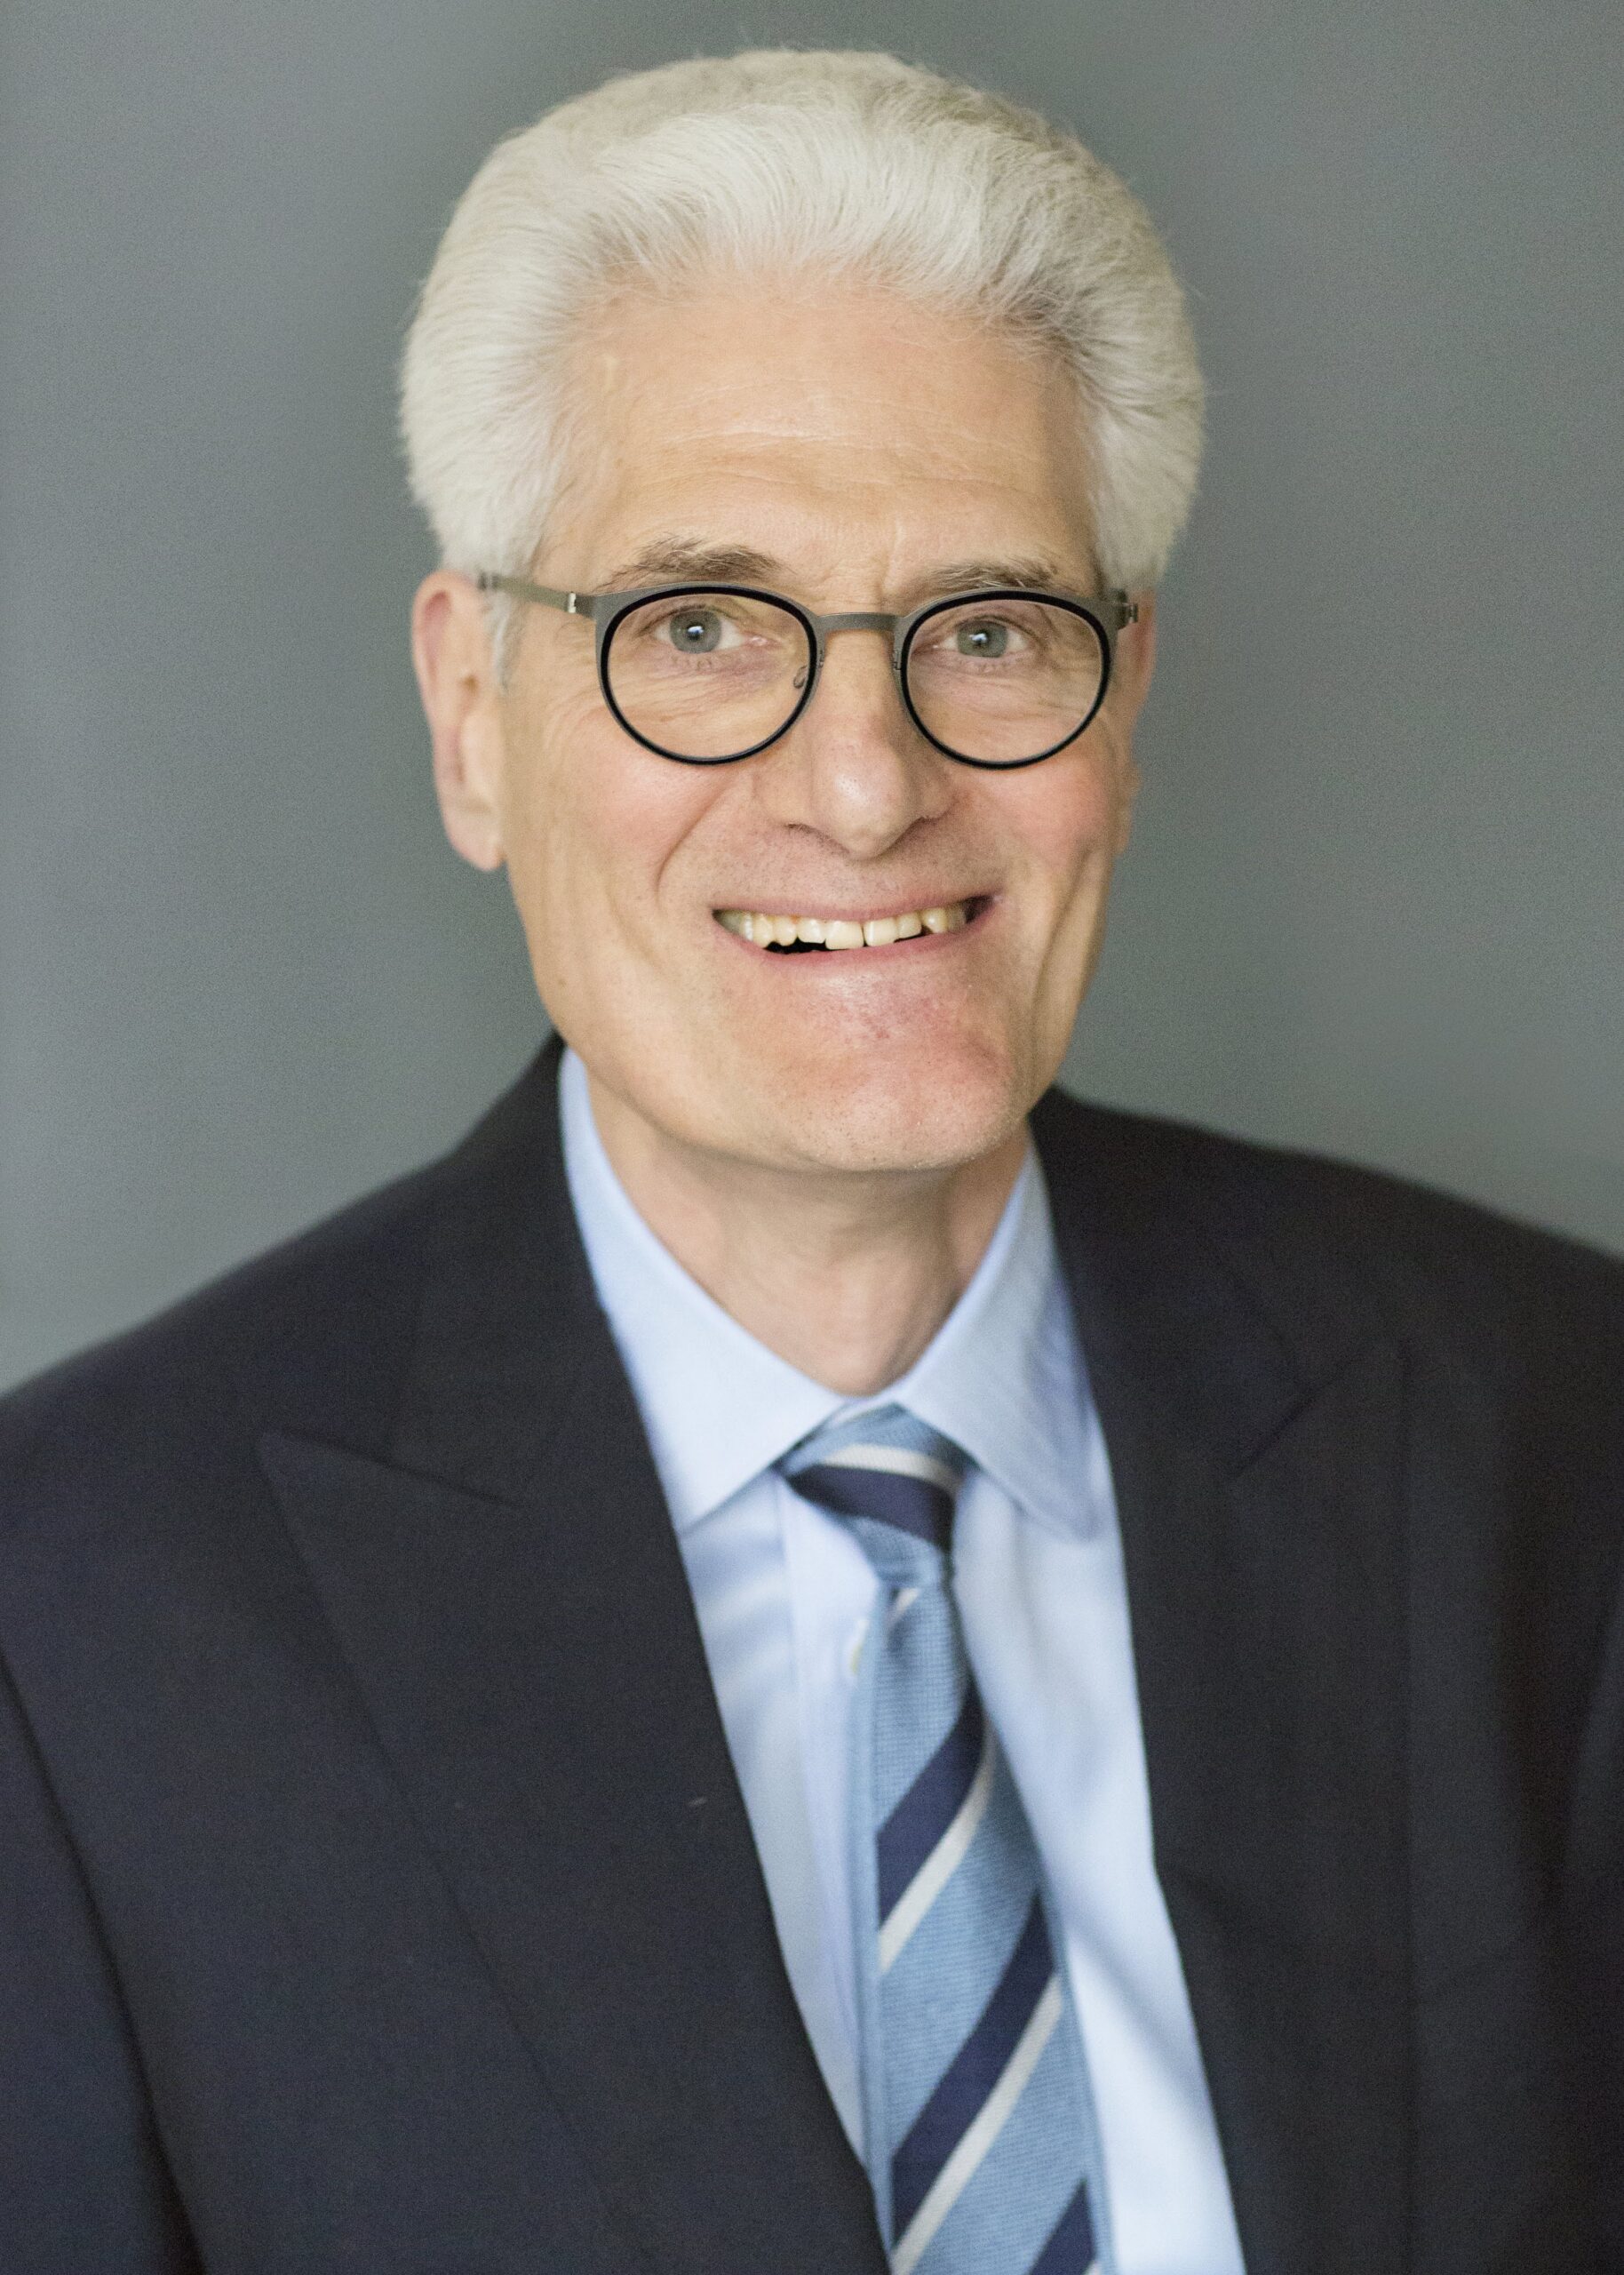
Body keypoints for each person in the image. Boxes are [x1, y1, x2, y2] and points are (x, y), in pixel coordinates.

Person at [1, 45, 1619, 2275]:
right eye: (696, 627)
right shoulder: (74, 1618)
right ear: (473, 712)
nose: (861, 786)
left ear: (1119, 711)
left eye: (983, 626)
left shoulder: (1553, 1434)